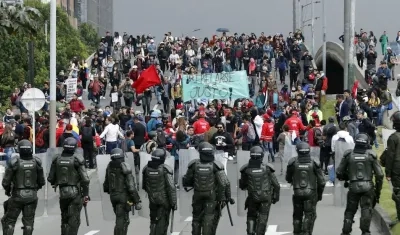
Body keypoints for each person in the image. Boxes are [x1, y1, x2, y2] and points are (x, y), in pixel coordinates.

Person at [336, 133, 383, 235]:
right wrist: (378, 191)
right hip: (368, 186)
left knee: (350, 210)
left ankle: (346, 231)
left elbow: (339, 172)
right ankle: (365, 231)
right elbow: (380, 175)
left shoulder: (348, 155)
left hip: (353, 186)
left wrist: (346, 177)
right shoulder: (371, 155)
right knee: (366, 208)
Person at [182, 142, 234, 235]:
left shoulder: (193, 165)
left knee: (196, 218)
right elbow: (225, 183)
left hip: (197, 195)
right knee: (209, 217)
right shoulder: (216, 165)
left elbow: (187, 181)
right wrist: (226, 197)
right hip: (211, 195)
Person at [1, 140, 46, 235]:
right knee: (29, 222)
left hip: (17, 196)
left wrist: (8, 191)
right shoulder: (37, 162)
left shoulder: (14, 162)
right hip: (32, 196)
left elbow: (5, 182)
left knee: (9, 221)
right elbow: (42, 181)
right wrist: (35, 189)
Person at [47, 137, 90, 235]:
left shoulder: (57, 159)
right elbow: (86, 179)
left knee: (65, 219)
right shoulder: (77, 159)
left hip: (63, 193)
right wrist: (86, 194)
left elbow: (50, 178)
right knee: (74, 220)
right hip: (76, 193)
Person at [286, 142, 326, 235]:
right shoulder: (314, 162)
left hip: (297, 192)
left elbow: (288, 178)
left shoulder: (292, 162)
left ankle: (297, 232)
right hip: (311, 193)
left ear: (297, 151)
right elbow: (322, 182)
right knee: (310, 214)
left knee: (297, 215)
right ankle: (306, 232)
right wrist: (319, 195)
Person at [239, 146, 280, 235]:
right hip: (265, 197)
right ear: (262, 156)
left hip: (252, 197)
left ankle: (250, 232)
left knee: (251, 216)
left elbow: (242, 185)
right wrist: (276, 197)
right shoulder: (268, 168)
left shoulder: (245, 169)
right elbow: (276, 185)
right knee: (263, 216)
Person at [103, 148, 141, 235]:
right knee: (124, 220)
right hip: (123, 196)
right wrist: (137, 200)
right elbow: (131, 187)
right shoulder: (125, 166)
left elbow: (106, 185)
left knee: (119, 218)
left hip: (113, 196)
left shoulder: (109, 166)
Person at [142, 148, 177, 234]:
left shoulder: (146, 169)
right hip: (164, 200)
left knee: (153, 220)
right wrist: (173, 203)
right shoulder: (165, 169)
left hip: (152, 199)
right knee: (163, 221)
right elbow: (171, 187)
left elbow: (144, 186)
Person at [385, 111, 400, 226]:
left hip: (397, 169)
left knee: (398, 193)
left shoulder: (393, 138)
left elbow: (390, 156)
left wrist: (388, 173)